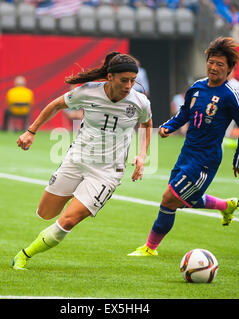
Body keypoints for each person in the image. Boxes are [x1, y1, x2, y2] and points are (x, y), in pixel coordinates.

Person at [12, 52, 153, 270]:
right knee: (45, 213)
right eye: (124, 80)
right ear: (110, 77)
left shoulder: (140, 102)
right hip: (77, 160)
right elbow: (56, 105)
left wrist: (142, 155)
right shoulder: (88, 92)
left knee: (68, 220)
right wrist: (31, 131)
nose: (128, 85)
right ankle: (78, 196)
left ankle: (24, 255)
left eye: (132, 81)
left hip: (107, 172)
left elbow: (146, 123)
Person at [128, 37, 239, 257]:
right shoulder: (197, 87)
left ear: (230, 69)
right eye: (211, 62)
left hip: (206, 160)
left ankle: (150, 248)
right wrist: (169, 126)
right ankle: (226, 205)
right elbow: (185, 112)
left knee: (169, 198)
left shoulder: (231, 96)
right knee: (184, 200)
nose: (214, 67)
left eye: (220, 64)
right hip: (186, 153)